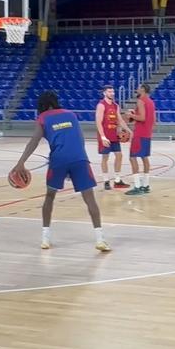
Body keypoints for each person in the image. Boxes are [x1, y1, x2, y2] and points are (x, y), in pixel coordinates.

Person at [10, 91, 111, 252]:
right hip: (80, 158)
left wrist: (21, 162)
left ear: (42, 105)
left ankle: (45, 239)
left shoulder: (43, 118)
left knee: (50, 196)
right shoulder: (71, 114)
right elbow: (80, 138)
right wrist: (76, 159)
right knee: (90, 199)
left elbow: (34, 141)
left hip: (59, 160)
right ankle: (100, 239)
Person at [95, 85, 130, 190]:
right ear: (104, 93)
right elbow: (98, 122)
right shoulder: (101, 105)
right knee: (105, 158)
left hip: (114, 135)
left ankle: (117, 180)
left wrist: (129, 130)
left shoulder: (115, 105)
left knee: (119, 156)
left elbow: (120, 120)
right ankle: (106, 181)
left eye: (113, 91)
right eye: (110, 92)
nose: (112, 93)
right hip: (105, 136)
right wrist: (102, 137)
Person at [125, 84, 156, 196]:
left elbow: (142, 118)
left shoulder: (141, 101)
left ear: (142, 89)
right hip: (147, 134)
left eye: (138, 87)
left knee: (132, 158)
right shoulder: (151, 102)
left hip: (140, 134)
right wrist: (135, 114)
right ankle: (146, 185)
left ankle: (137, 186)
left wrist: (131, 115)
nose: (136, 89)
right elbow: (153, 120)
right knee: (144, 158)